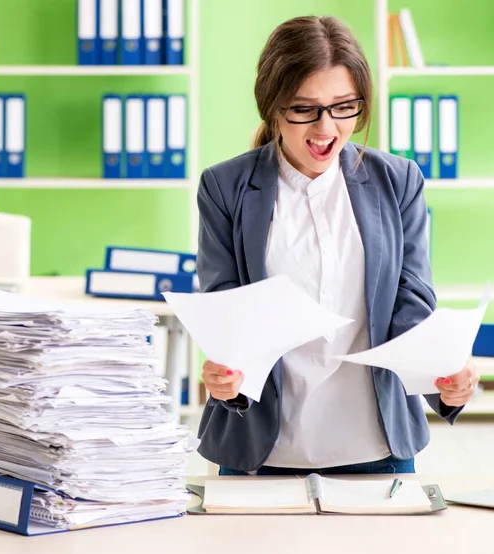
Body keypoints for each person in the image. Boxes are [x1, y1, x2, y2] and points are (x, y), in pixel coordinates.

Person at [195, 15, 479, 476]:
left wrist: (444, 377)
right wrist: (226, 375)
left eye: (343, 106)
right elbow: (226, 307)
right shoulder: (225, 186)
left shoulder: (398, 180)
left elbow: (412, 302)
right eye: (304, 108)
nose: (326, 127)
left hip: (376, 447)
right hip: (261, 449)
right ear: (273, 106)